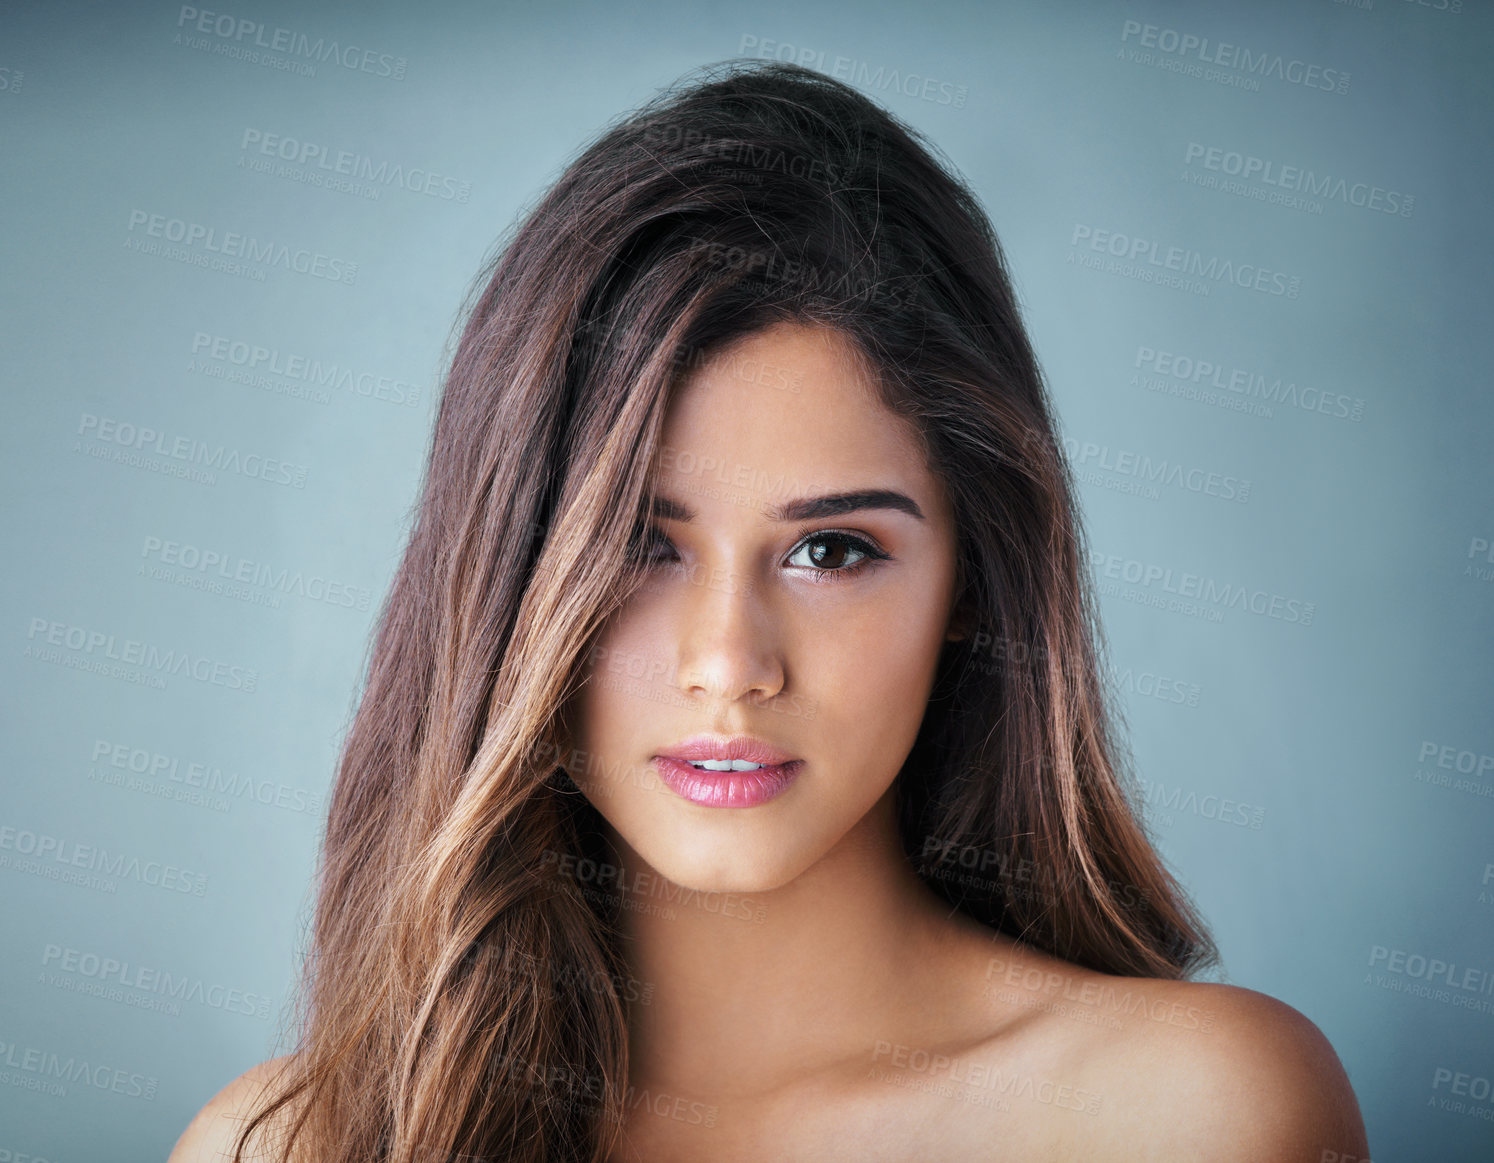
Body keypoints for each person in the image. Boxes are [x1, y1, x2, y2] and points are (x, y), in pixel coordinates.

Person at [169, 60, 1368, 1162]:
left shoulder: (1191, 1113)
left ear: (971, 583)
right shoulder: (289, 1146)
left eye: (830, 549)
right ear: (509, 574)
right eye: (639, 545)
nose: (728, 664)